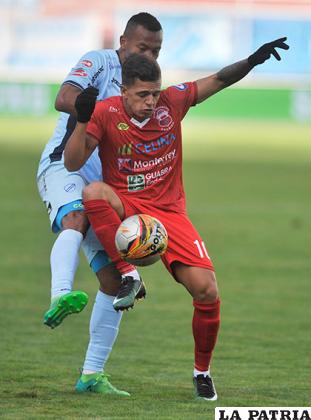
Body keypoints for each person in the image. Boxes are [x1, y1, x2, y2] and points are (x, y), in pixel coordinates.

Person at [63, 38, 289, 401]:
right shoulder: (105, 112)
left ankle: (202, 372)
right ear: (123, 91)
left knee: (207, 291)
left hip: (169, 213)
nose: (151, 102)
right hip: (127, 205)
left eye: (154, 93)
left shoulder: (172, 102)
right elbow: (73, 164)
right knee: (92, 193)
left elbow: (217, 80)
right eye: (142, 95)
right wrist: (83, 120)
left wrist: (251, 60)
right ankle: (128, 275)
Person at [37, 12, 163, 395]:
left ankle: (91, 376)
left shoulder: (145, 89)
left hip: (101, 185)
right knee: (75, 217)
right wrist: (86, 105)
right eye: (143, 47)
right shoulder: (99, 61)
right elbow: (64, 97)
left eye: (157, 50)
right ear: (123, 42)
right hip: (64, 165)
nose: (151, 56)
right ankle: (61, 294)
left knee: (114, 280)